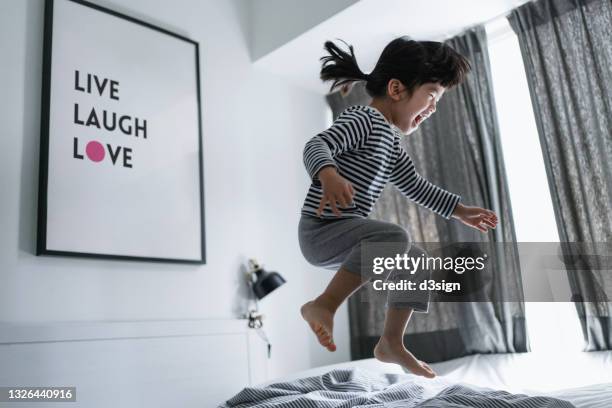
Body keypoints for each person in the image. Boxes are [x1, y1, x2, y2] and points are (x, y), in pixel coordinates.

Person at [297, 37, 499, 378]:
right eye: (432, 95)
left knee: (416, 259)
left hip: (344, 236)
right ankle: (324, 305)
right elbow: (317, 144)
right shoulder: (364, 119)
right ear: (396, 88)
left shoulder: (391, 142)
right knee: (394, 235)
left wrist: (460, 210)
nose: (434, 107)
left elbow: (416, 186)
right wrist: (328, 174)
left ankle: (391, 342)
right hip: (320, 231)